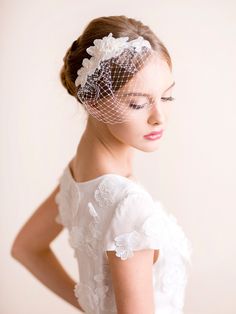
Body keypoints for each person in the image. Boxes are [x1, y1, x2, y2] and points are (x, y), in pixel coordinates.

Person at [11, 15, 193, 314]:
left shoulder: (79, 174)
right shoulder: (128, 206)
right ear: (94, 101)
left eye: (167, 95)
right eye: (138, 103)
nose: (159, 116)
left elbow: (25, 248)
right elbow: (25, 250)